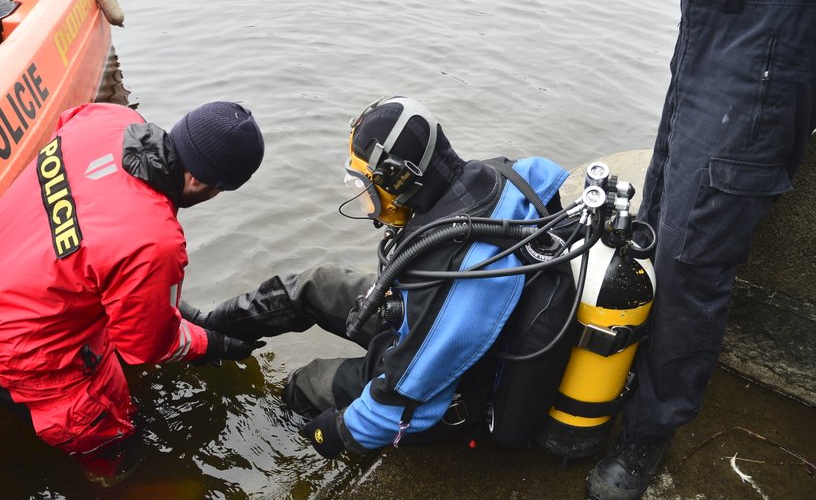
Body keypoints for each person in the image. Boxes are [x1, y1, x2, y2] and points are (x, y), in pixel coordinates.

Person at [586, 0, 816, 500]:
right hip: (715, 14)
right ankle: (617, 381)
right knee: (655, 215)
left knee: (692, 256)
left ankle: (650, 429)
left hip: (778, 27)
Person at [180, 96, 571, 458]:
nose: (366, 199)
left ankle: (275, 438)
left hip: (449, 379)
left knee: (307, 382)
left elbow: (403, 398)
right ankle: (213, 331)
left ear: (398, 179)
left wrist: (336, 432)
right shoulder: (510, 176)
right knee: (316, 284)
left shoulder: (459, 279)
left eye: (364, 184)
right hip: (419, 319)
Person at [0, 100, 267, 482]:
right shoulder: (156, 241)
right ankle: (112, 484)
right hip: (16, 351)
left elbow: (102, 241)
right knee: (114, 441)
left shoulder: (110, 118)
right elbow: (149, 348)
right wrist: (211, 344)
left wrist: (177, 309)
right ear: (203, 183)